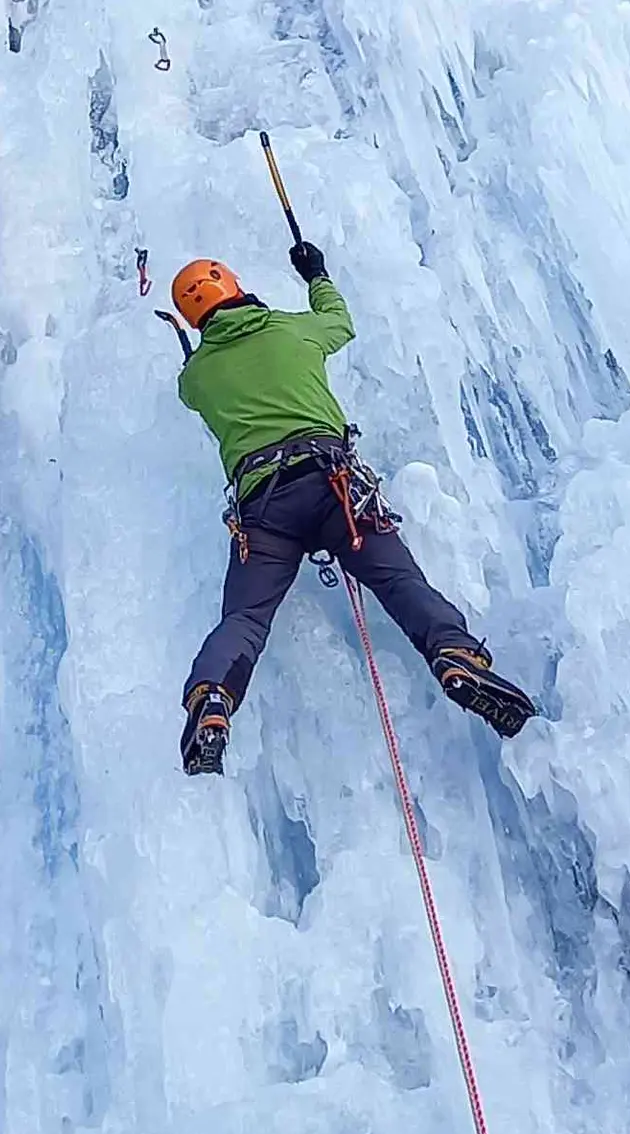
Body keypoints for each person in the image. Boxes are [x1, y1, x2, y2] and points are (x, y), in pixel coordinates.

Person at [172, 246, 537, 776]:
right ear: (234, 286)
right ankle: (456, 654)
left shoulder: (197, 377)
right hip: (334, 487)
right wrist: (315, 274)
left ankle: (211, 699)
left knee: (246, 618)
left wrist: (200, 354)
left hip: (263, 511)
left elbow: (192, 389)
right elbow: (339, 323)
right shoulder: (290, 331)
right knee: (398, 582)